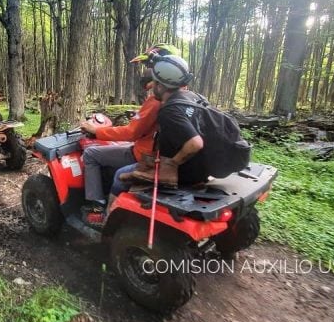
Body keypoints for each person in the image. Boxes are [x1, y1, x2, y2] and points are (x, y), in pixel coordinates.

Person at [78, 43, 180, 227]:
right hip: (164, 156)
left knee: (91, 154)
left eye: (150, 68)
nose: (147, 73)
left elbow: (131, 132)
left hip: (147, 157)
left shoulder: (157, 100)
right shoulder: (183, 96)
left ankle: (98, 209)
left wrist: (96, 131)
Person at [125, 54, 249, 188]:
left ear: (160, 85)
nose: (151, 85)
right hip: (202, 168)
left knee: (118, 176)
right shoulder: (194, 96)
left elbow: (195, 143)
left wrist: (171, 165)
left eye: (154, 82)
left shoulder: (170, 110)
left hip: (185, 173)